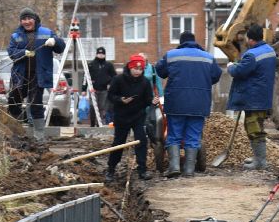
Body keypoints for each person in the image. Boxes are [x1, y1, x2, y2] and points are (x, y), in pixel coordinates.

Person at [154, 28, 220, 177]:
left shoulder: (171, 55)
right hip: (199, 103)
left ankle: (174, 167)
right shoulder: (208, 57)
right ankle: (189, 170)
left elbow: (160, 71)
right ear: (194, 41)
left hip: (176, 102)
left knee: (174, 134)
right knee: (193, 136)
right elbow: (216, 75)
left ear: (181, 42)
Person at [226, 24, 277, 171]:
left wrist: (231, 66)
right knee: (257, 127)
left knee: (254, 129)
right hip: (263, 97)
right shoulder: (270, 51)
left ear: (251, 39)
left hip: (253, 99)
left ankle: (260, 162)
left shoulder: (251, 55)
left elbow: (240, 72)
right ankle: (258, 159)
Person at [6, 9, 65, 125]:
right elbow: (11, 52)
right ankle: (17, 126)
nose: (27, 22)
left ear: (35, 19)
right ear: (21, 21)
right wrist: (23, 53)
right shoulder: (16, 36)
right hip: (19, 75)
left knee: (35, 103)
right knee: (13, 100)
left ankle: (39, 134)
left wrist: (55, 41)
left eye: (29, 18)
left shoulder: (46, 33)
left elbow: (61, 47)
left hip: (38, 75)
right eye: (24, 19)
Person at [105, 53, 155, 182]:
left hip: (138, 116)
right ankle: (111, 169)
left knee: (141, 141)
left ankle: (142, 170)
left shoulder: (145, 82)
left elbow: (147, 99)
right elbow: (111, 96)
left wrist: (152, 101)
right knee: (118, 143)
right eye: (135, 69)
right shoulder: (118, 79)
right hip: (121, 116)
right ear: (130, 67)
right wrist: (121, 100)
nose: (138, 72)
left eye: (140, 69)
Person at [87, 46, 116, 124]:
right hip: (93, 89)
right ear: (96, 54)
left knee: (102, 107)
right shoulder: (91, 64)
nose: (101, 55)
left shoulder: (109, 65)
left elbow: (114, 76)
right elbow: (86, 76)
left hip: (104, 90)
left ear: (105, 55)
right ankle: (92, 123)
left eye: (102, 54)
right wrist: (84, 88)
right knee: (93, 106)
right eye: (99, 53)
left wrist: (110, 84)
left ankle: (99, 123)